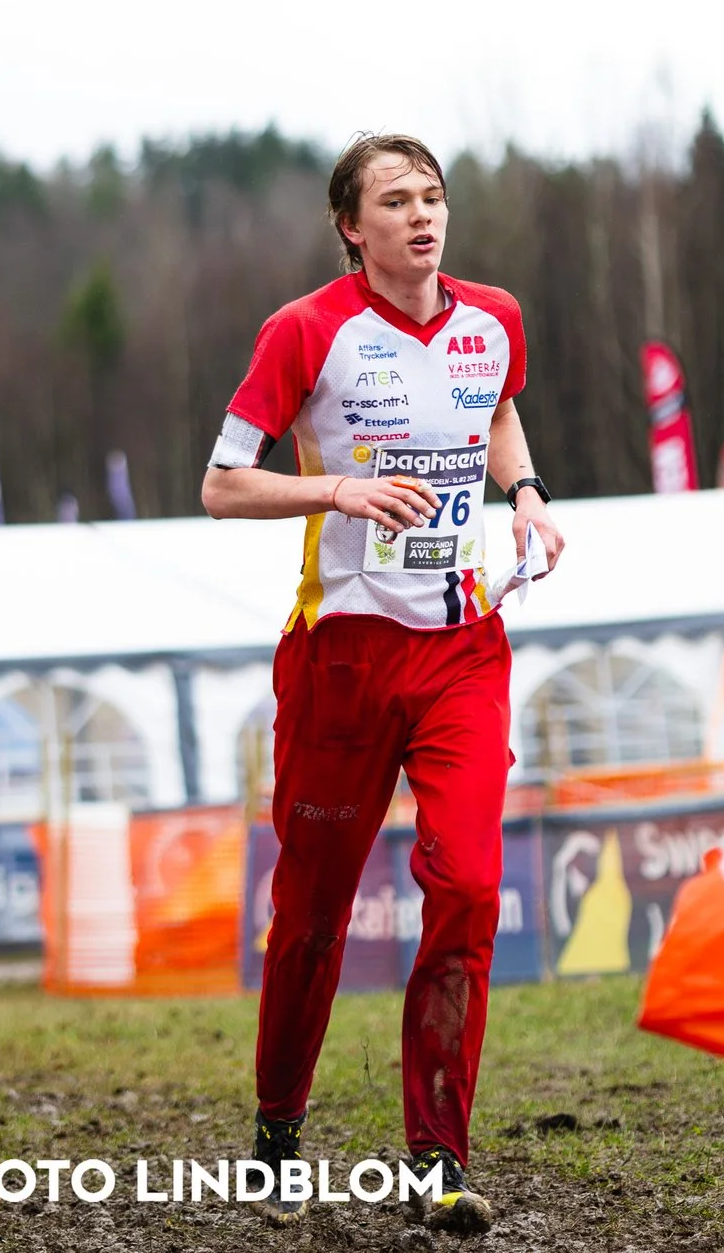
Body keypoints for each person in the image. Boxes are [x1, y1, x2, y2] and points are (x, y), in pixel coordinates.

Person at [202, 131, 564, 1233]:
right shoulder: (305, 330)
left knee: (461, 887)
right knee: (309, 913)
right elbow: (221, 484)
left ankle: (435, 1155)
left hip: (461, 649)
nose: (422, 214)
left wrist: (530, 493)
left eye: (434, 195)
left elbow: (496, 408)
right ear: (352, 228)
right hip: (343, 656)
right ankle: (276, 1127)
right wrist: (339, 495)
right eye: (395, 200)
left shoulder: (492, 317)